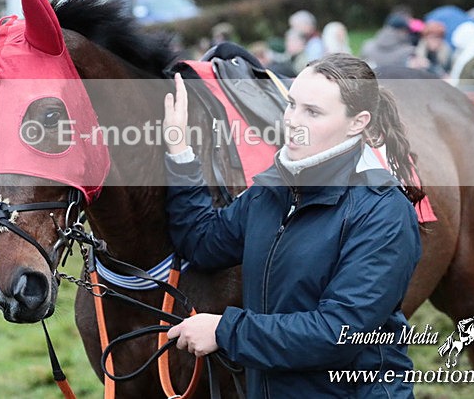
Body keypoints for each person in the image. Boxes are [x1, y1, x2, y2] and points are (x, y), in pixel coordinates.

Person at [163, 53, 423, 398]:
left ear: (357, 122)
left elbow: (338, 332)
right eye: (291, 105)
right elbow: (203, 243)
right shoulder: (271, 192)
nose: (292, 122)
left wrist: (225, 331)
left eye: (312, 112)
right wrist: (180, 152)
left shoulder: (383, 212)